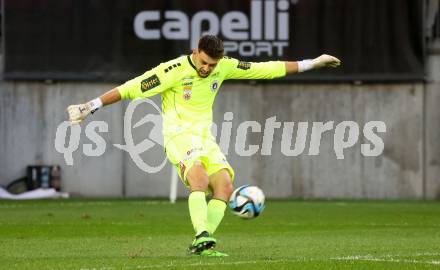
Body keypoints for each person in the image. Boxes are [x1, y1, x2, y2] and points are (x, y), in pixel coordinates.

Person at [67, 35, 341, 257]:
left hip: (204, 138)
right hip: (178, 136)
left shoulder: (223, 66)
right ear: (195, 51)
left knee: (224, 185)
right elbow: (131, 87)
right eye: (205, 62)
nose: (207, 68)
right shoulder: (171, 70)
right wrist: (90, 107)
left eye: (212, 64)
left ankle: (203, 244)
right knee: (197, 176)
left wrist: (313, 62)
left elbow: (266, 68)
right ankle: (201, 234)